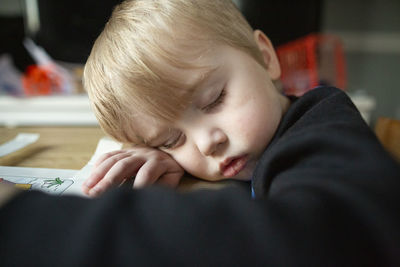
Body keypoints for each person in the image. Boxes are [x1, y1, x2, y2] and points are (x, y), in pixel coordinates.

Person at [0, 0, 399, 265]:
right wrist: (172, 160)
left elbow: (324, 239)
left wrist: (25, 221)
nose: (208, 142)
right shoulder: (253, 145)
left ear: (265, 56)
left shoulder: (325, 123)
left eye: (213, 101)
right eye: (171, 139)